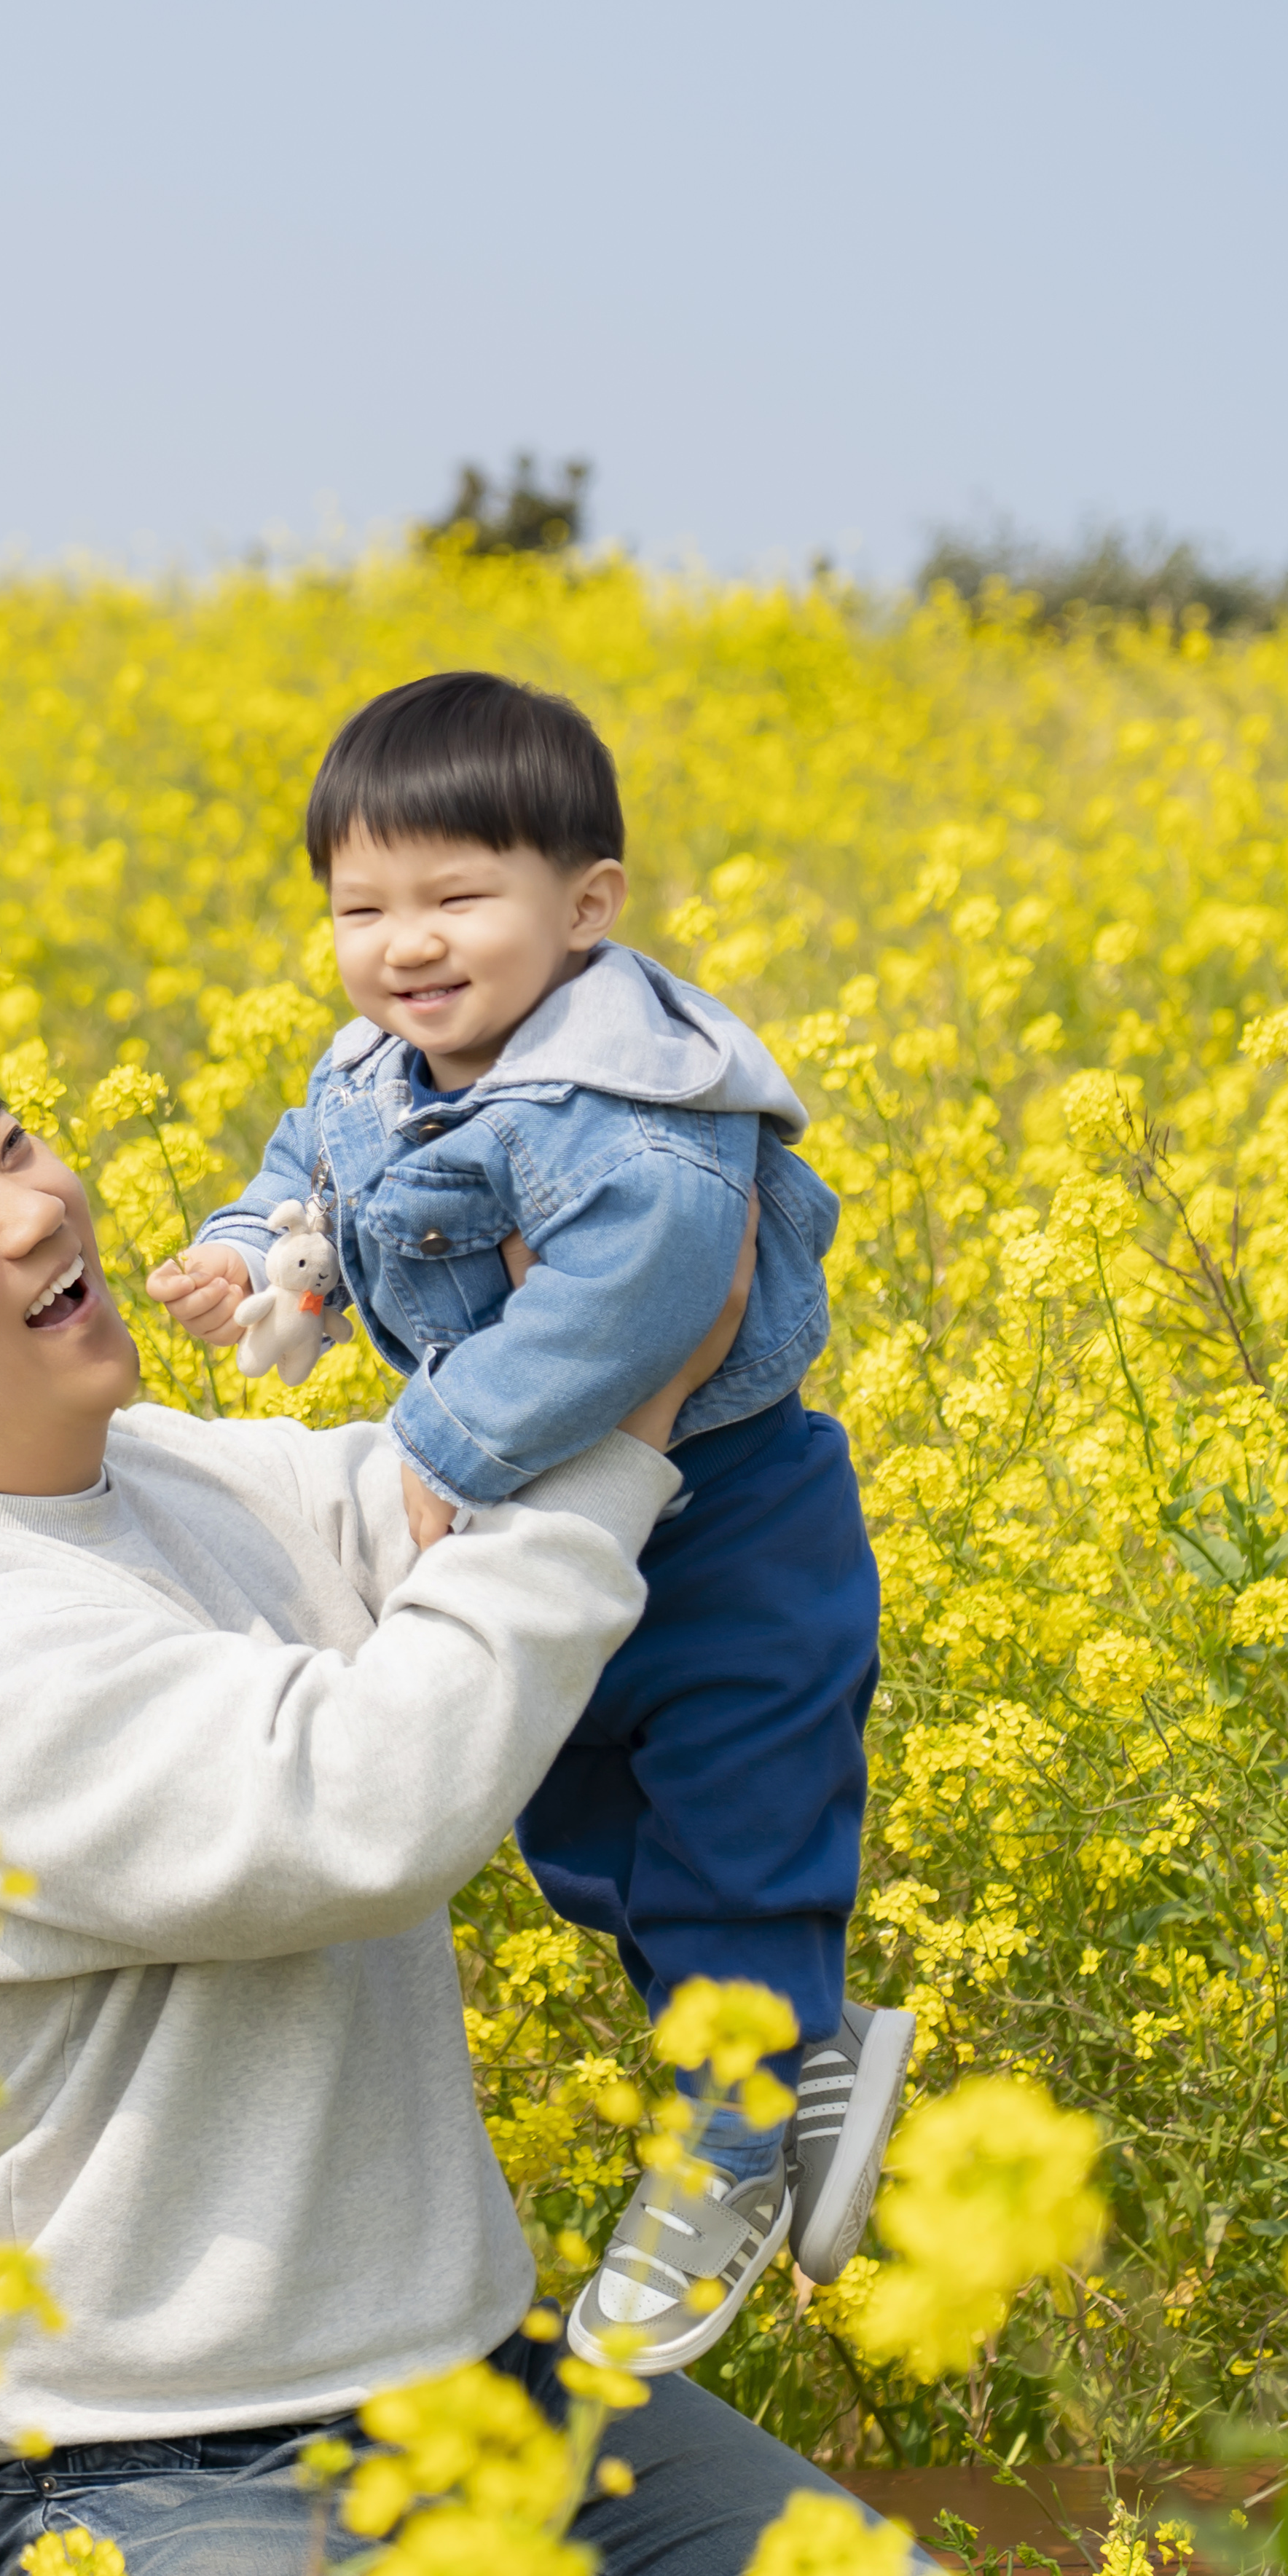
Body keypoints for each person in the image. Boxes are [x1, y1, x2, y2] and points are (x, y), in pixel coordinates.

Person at [0, 982, 983, 2576]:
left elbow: (397, 1503)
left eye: (9, 1143)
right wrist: (626, 1418)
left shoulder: (141, 1472)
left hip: (457, 2380)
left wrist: (588, 1258)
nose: (32, 1209)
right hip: (160, 2469)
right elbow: (362, 1806)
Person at [146, 670, 912, 2376]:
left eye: (457, 897)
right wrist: (254, 1246)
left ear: (586, 907)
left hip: (726, 1527)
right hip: (559, 1522)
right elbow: (315, 1163)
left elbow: (639, 1296)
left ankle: (726, 2147)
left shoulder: (629, 1102)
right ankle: (810, 2048)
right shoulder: (384, 1066)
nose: (405, 944)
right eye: (362, 907)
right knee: (578, 1829)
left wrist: (439, 1445)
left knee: (727, 1835)